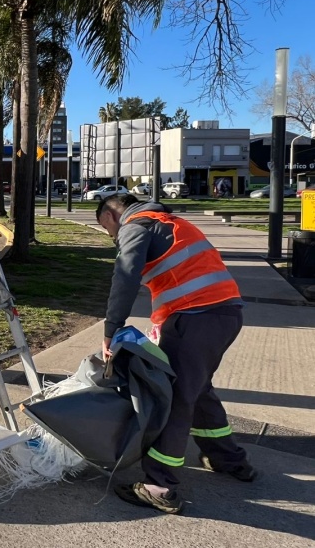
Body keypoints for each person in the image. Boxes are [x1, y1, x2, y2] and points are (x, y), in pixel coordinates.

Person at [96, 194, 255, 515]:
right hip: (225, 314)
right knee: (198, 388)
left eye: (106, 229)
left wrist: (111, 328)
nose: (111, 236)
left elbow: (125, 275)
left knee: (176, 396)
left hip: (194, 318)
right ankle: (228, 458)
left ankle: (159, 485)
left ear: (112, 215)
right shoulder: (171, 223)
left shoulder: (135, 226)